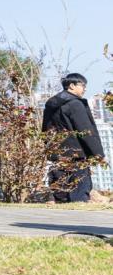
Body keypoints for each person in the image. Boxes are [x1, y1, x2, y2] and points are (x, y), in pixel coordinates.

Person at [42, 73, 106, 203]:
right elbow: (86, 131)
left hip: (58, 154)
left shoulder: (51, 105)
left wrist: (50, 149)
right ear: (71, 86)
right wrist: (98, 153)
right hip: (77, 154)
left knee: (61, 192)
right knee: (80, 192)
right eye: (83, 85)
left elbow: (45, 130)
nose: (85, 89)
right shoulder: (75, 104)